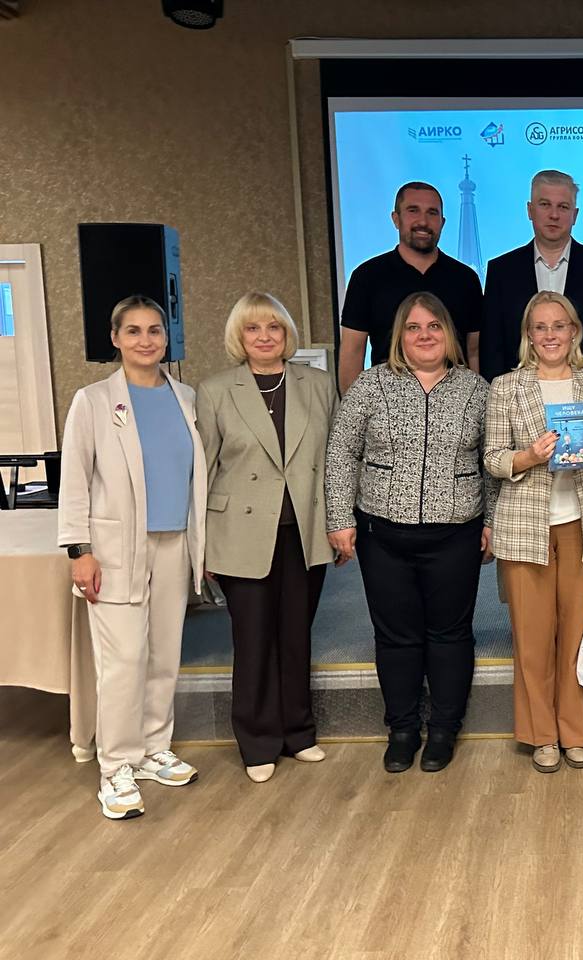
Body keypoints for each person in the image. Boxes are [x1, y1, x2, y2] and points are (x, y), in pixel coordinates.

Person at [326, 291, 492, 774]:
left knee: (450, 634)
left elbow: (493, 460)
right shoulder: (371, 385)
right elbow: (341, 452)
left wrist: (492, 523)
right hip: (383, 534)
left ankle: (443, 728)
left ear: (449, 334)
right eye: (414, 327)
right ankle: (401, 729)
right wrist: (340, 518)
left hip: (456, 533)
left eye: (434, 326)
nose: (424, 336)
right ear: (399, 335)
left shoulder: (476, 389)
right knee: (396, 636)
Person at [58, 295, 207, 820]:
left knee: (164, 654)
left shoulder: (185, 397)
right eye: (134, 331)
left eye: (155, 330)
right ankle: (116, 766)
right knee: (123, 660)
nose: (146, 340)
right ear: (115, 338)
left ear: (167, 338)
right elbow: (74, 480)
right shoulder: (94, 401)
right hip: (115, 550)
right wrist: (79, 550)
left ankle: (152, 748)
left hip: (173, 543)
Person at [484, 291, 583, 772]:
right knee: (533, 638)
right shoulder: (506, 387)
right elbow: (492, 458)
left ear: (574, 332)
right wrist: (527, 457)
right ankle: (542, 735)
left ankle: (576, 731)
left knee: (577, 634)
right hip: (525, 528)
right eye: (540, 327)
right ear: (529, 335)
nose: (550, 335)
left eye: (559, 326)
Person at [196, 292, 337, 783]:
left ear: (287, 334)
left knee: (296, 636)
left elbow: (334, 463)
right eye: (253, 328)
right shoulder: (215, 390)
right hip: (239, 532)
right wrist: (201, 546)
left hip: (303, 529)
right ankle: (258, 741)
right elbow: (203, 472)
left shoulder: (317, 385)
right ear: (239, 336)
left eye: (274, 327)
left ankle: (298, 732)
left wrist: (339, 524)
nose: (264, 337)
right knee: (253, 640)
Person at [337, 181, 483, 392]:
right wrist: (354, 407)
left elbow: (474, 351)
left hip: (454, 401)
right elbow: (352, 352)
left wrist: (478, 403)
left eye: (432, 213)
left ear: (442, 222)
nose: (423, 221)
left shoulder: (465, 279)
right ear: (396, 219)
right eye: (413, 210)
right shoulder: (367, 277)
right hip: (387, 401)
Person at [479, 170, 583, 381]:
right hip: (517, 394)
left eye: (563, 207)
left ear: (575, 215)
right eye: (545, 204)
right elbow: (492, 348)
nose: (554, 215)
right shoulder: (501, 271)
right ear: (530, 210)